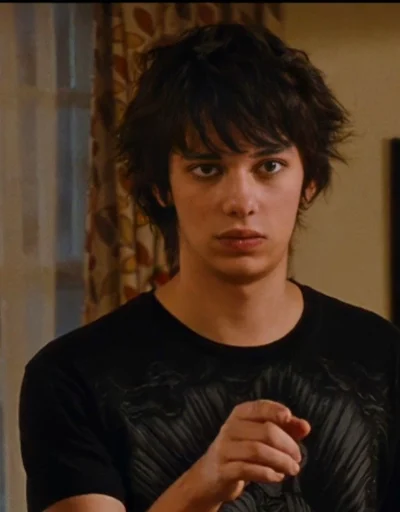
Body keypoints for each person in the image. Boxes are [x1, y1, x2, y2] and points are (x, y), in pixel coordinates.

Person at [19, 23, 400, 512]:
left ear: (309, 181)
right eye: (207, 168)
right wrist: (203, 485)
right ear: (161, 187)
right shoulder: (71, 378)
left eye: (269, 166)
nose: (240, 201)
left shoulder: (382, 358)